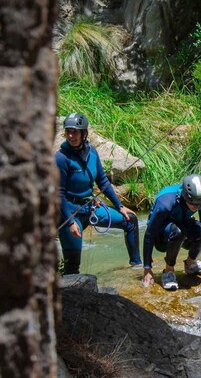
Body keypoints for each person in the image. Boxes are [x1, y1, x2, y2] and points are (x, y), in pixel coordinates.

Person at [56, 112, 140, 274]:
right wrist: (70, 222)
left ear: (84, 133)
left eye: (75, 132)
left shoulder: (92, 152)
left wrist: (120, 206)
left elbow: (102, 181)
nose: (71, 135)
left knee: (130, 221)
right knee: (72, 267)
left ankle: (136, 267)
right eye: (68, 132)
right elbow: (58, 194)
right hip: (70, 213)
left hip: (90, 208)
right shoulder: (61, 158)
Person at [142, 174, 201, 290]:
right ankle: (168, 270)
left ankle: (191, 264)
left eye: (199, 204)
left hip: (182, 223)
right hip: (162, 236)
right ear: (185, 195)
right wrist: (147, 268)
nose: (196, 207)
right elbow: (149, 233)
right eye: (192, 203)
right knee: (177, 232)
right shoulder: (165, 203)